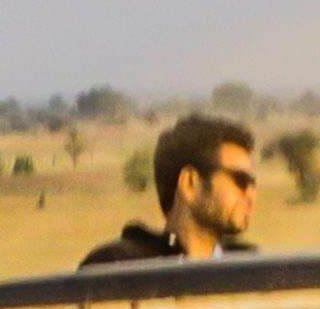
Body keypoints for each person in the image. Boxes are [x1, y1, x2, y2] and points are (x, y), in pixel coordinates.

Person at [80, 112, 259, 268]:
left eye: (253, 184)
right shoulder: (120, 268)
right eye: (240, 181)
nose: (251, 194)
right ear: (190, 183)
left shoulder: (249, 267)